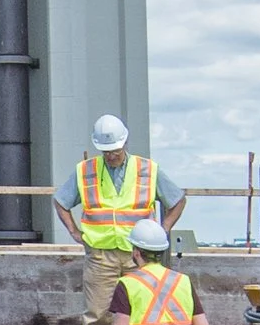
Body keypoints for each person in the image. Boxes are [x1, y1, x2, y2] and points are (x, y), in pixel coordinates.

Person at [59, 112, 185, 261]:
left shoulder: (147, 169)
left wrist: (163, 230)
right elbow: (61, 201)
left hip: (140, 253)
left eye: (116, 150)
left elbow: (178, 200)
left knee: (141, 279)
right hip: (100, 255)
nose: (111, 156)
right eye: (106, 152)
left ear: (124, 143)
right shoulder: (85, 170)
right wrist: (73, 232)